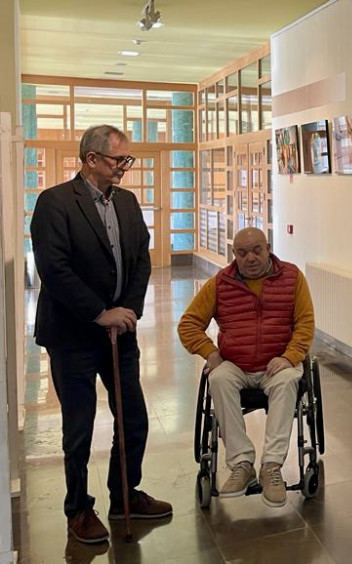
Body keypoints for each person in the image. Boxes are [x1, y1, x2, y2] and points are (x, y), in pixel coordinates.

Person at [30, 124, 172, 545]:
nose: (124, 168)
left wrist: (126, 311)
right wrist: (99, 313)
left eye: (127, 160)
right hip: (72, 335)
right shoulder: (54, 203)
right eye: (118, 160)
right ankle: (79, 509)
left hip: (120, 334)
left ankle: (124, 493)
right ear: (91, 159)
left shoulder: (127, 203)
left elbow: (140, 260)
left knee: (134, 419)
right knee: (80, 427)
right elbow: (54, 269)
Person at [178, 227, 315, 508]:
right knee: (218, 379)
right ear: (234, 255)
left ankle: (272, 466)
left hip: (277, 363)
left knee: (289, 379)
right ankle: (241, 463)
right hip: (235, 364)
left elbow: (305, 323)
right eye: (242, 253)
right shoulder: (220, 283)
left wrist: (290, 356)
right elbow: (188, 324)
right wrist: (211, 354)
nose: (250, 258)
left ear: (268, 248)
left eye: (256, 251)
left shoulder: (292, 277)